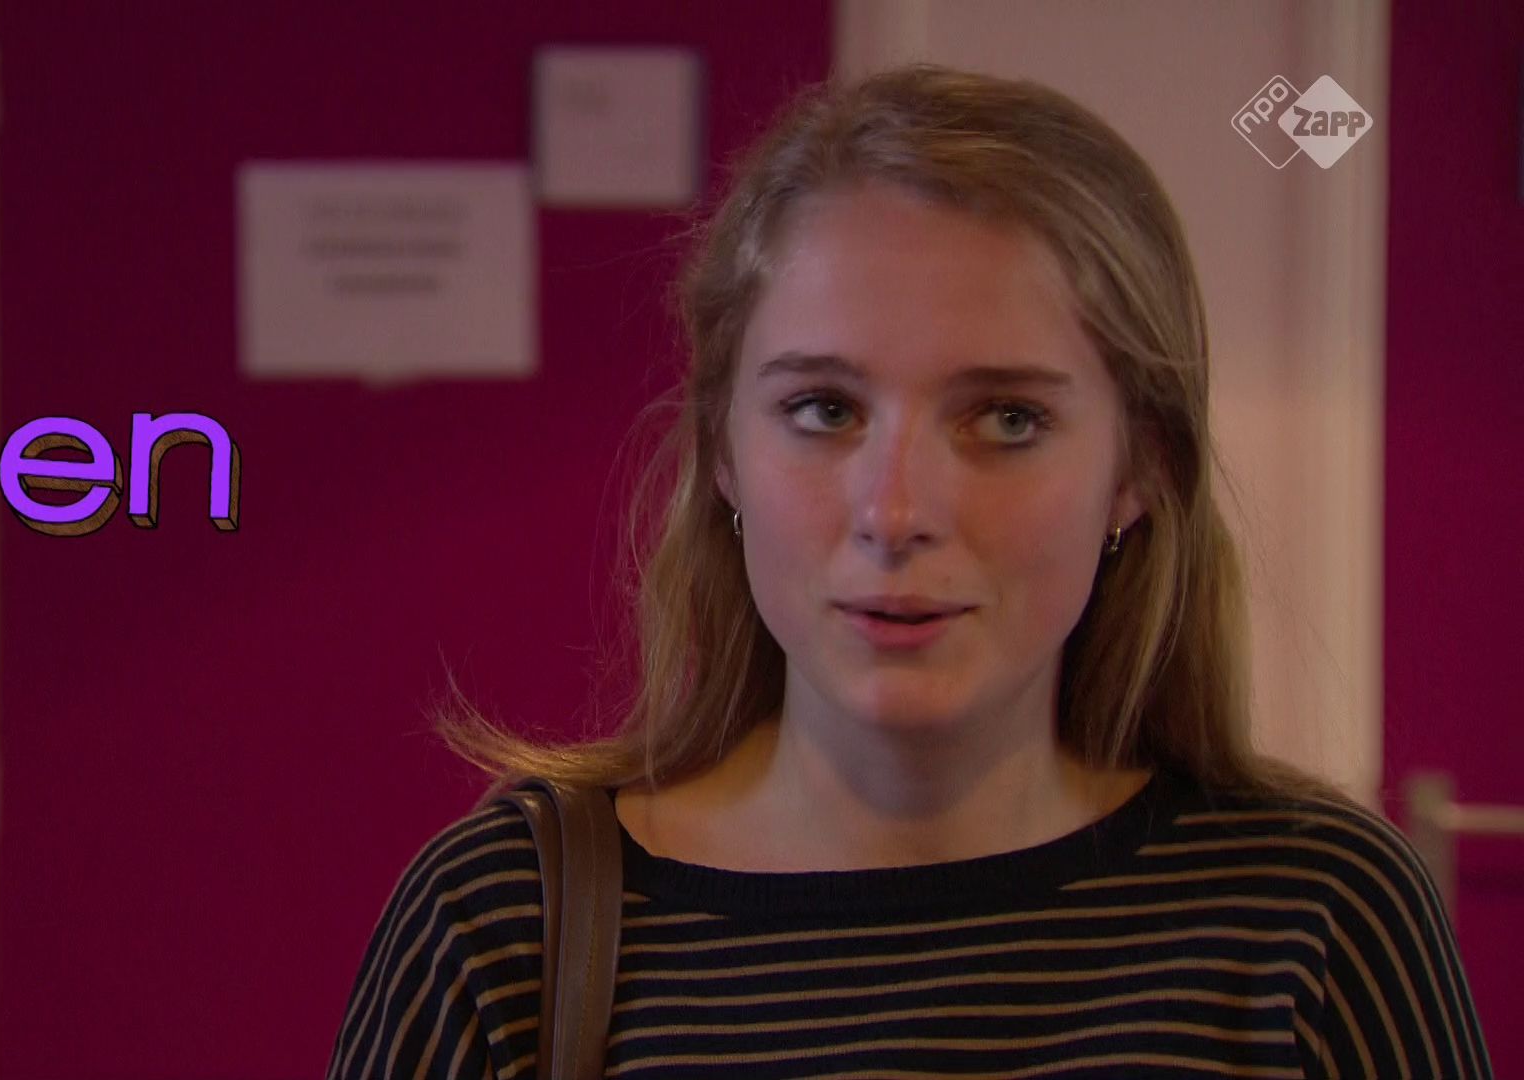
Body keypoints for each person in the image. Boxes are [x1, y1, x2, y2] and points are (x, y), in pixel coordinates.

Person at [325, 64, 1492, 1079]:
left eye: (1007, 419)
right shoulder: (504, 928)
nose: (895, 513)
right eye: (824, 409)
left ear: (1138, 468)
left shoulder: (1317, 922)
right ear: (724, 450)